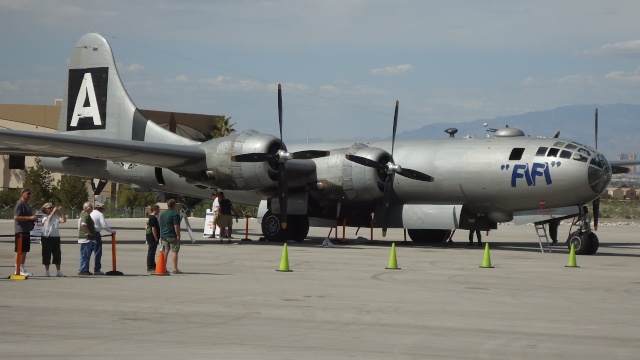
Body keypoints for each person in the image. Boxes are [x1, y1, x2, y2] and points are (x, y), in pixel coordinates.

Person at [14, 188, 37, 276]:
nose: (29, 195)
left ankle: (22, 268)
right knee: (19, 251)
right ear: (22, 193)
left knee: (24, 251)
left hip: (26, 230)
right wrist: (30, 218)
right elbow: (16, 217)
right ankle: (17, 270)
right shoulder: (20, 203)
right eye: (28, 193)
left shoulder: (26, 204)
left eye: (30, 194)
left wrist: (33, 218)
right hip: (20, 230)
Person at [40, 202, 67, 277]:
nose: (51, 209)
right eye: (49, 208)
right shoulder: (44, 217)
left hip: (56, 237)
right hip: (47, 237)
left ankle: (58, 271)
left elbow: (63, 220)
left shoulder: (56, 217)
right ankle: (47, 271)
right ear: (45, 209)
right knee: (46, 254)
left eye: (52, 208)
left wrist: (62, 212)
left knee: (57, 254)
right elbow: (47, 221)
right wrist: (53, 211)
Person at [90, 202, 116, 275]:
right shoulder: (100, 214)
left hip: (89, 233)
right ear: (100, 208)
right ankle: (97, 269)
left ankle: (85, 268)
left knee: (88, 252)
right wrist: (112, 231)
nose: (103, 211)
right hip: (96, 234)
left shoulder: (90, 213)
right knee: (98, 252)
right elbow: (104, 225)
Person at [160, 199, 182, 274]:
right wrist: (178, 235)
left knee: (166, 251)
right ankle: (175, 269)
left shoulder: (163, 214)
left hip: (164, 235)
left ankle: (164, 267)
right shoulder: (175, 214)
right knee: (175, 251)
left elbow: (161, 224)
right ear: (174, 205)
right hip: (172, 235)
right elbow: (176, 226)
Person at [78, 202, 96, 275]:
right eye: (91, 207)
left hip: (88, 239)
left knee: (86, 255)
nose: (92, 208)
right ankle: (83, 269)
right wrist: (88, 233)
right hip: (86, 239)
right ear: (88, 208)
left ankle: (85, 269)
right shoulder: (86, 215)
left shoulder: (87, 215)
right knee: (84, 255)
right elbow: (83, 224)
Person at [145, 204, 160, 272]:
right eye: (158, 209)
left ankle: (153, 265)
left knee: (152, 252)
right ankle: (150, 266)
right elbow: (153, 228)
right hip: (152, 237)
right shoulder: (153, 218)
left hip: (149, 236)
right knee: (151, 252)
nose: (159, 211)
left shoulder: (150, 217)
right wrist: (156, 238)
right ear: (154, 210)